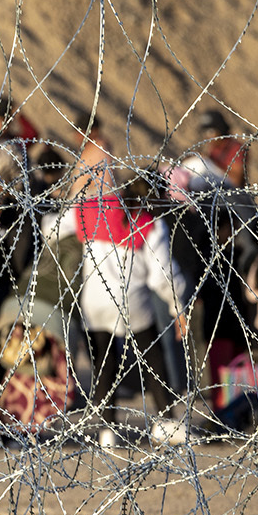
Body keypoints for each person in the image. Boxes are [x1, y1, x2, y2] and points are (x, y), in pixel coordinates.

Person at [64, 169, 189, 446]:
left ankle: (107, 429)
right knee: (153, 358)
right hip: (132, 301)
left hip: (94, 300)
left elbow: (56, 227)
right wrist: (177, 306)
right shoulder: (150, 223)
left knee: (104, 365)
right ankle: (165, 422)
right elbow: (162, 276)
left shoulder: (91, 210)